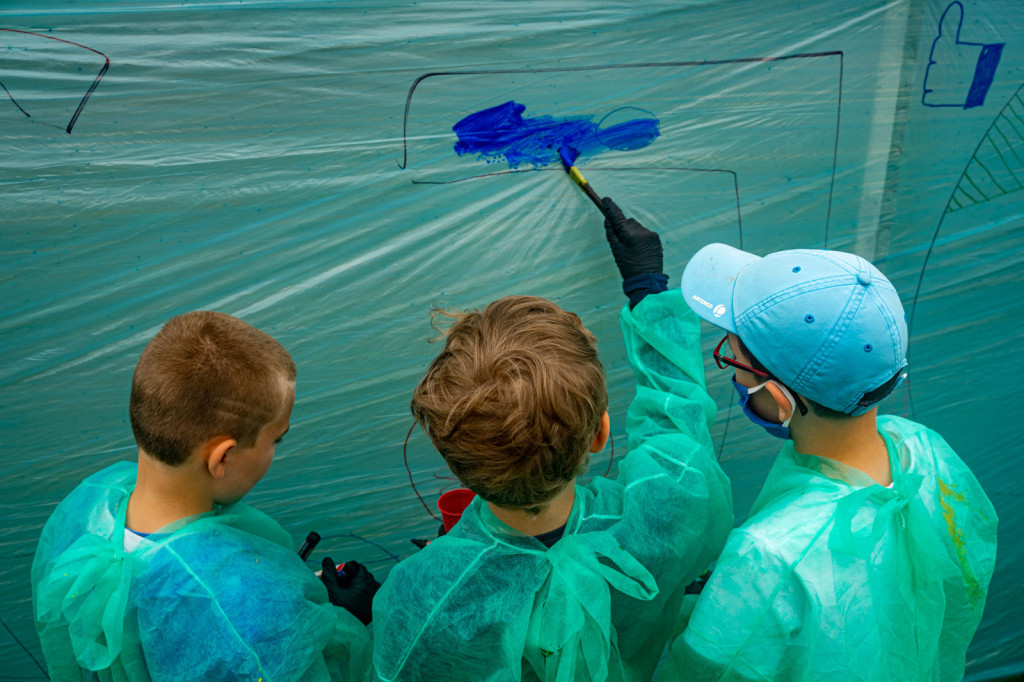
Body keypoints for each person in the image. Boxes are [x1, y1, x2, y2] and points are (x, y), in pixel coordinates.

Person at [372, 199, 733, 681]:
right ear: (601, 434)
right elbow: (678, 425)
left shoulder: (420, 597)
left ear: (455, 461)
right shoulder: (668, 511)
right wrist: (647, 289)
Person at [660, 243, 998, 680]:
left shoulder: (765, 559)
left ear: (779, 399)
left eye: (733, 357)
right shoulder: (927, 452)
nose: (733, 371)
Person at [32, 311, 377, 681]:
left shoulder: (89, 503)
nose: (276, 450)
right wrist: (345, 622)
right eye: (276, 439)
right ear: (222, 458)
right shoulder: (249, 612)